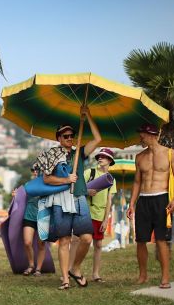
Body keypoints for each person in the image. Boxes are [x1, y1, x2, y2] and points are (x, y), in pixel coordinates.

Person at [37, 106, 102, 290]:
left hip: (79, 198)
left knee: (87, 238)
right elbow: (46, 178)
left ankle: (75, 268)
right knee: (64, 240)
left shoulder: (78, 153)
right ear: (58, 138)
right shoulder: (52, 155)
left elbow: (98, 139)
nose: (69, 138)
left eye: (71, 135)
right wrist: (66, 179)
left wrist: (88, 115)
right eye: (65, 136)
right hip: (60, 200)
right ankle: (65, 279)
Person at [127, 123, 174, 289]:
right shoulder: (139, 157)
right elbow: (137, 182)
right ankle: (142, 275)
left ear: (150, 134)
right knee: (140, 240)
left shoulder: (169, 154)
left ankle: (165, 277)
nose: (140, 137)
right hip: (143, 201)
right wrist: (132, 203)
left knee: (161, 240)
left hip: (162, 199)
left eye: (142, 135)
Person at [83, 148, 116, 282]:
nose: (100, 158)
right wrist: (87, 191)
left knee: (98, 245)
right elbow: (76, 188)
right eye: (99, 156)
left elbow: (109, 201)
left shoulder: (111, 180)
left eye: (103, 157)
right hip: (85, 213)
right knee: (82, 242)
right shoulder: (89, 173)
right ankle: (72, 270)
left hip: (100, 215)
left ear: (109, 161)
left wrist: (105, 220)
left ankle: (96, 274)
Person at [21, 166, 47, 276]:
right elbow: (20, 197)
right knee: (27, 242)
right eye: (34, 170)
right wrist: (15, 195)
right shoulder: (28, 184)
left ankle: (38, 269)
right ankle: (31, 265)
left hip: (43, 217)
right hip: (29, 216)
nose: (35, 172)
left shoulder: (49, 185)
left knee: (41, 244)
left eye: (38, 170)